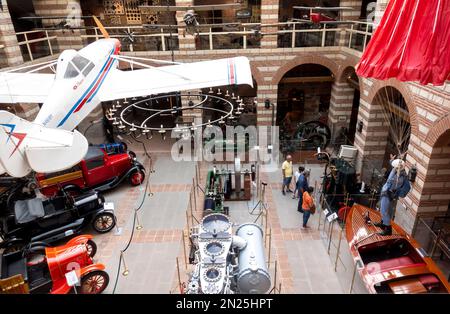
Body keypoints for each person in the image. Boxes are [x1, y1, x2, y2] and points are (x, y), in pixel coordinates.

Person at [375, 159, 411, 236]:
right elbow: (393, 166)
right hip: (385, 192)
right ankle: (383, 223)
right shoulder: (397, 171)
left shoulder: (399, 177)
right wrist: (391, 160)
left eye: (395, 167)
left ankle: (388, 229)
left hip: (389, 194)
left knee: (385, 211)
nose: (393, 168)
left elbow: (391, 182)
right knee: (383, 209)